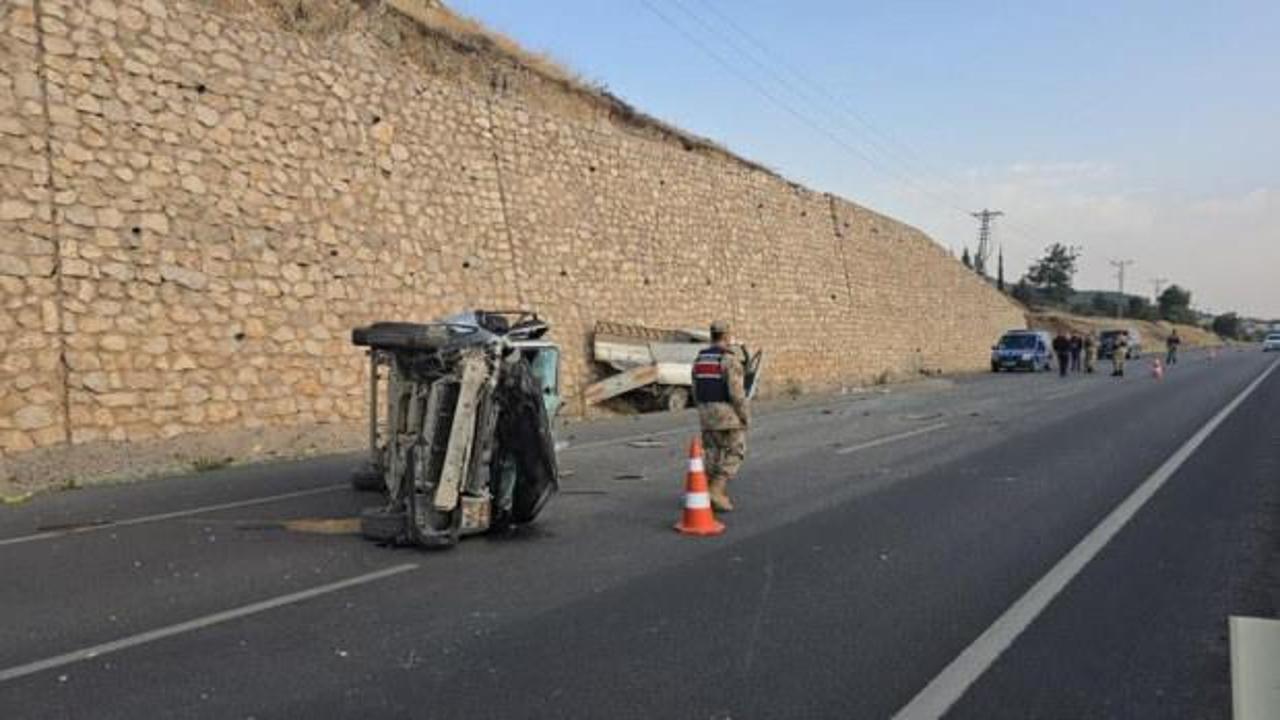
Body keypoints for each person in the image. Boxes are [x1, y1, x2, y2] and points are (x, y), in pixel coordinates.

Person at [692, 320, 750, 512]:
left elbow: (695, 389)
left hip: (706, 414)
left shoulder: (700, 359)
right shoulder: (728, 360)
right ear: (726, 336)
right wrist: (745, 416)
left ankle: (707, 491)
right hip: (726, 415)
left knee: (712, 452)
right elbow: (736, 393)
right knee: (736, 450)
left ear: (711, 335)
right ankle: (716, 489)